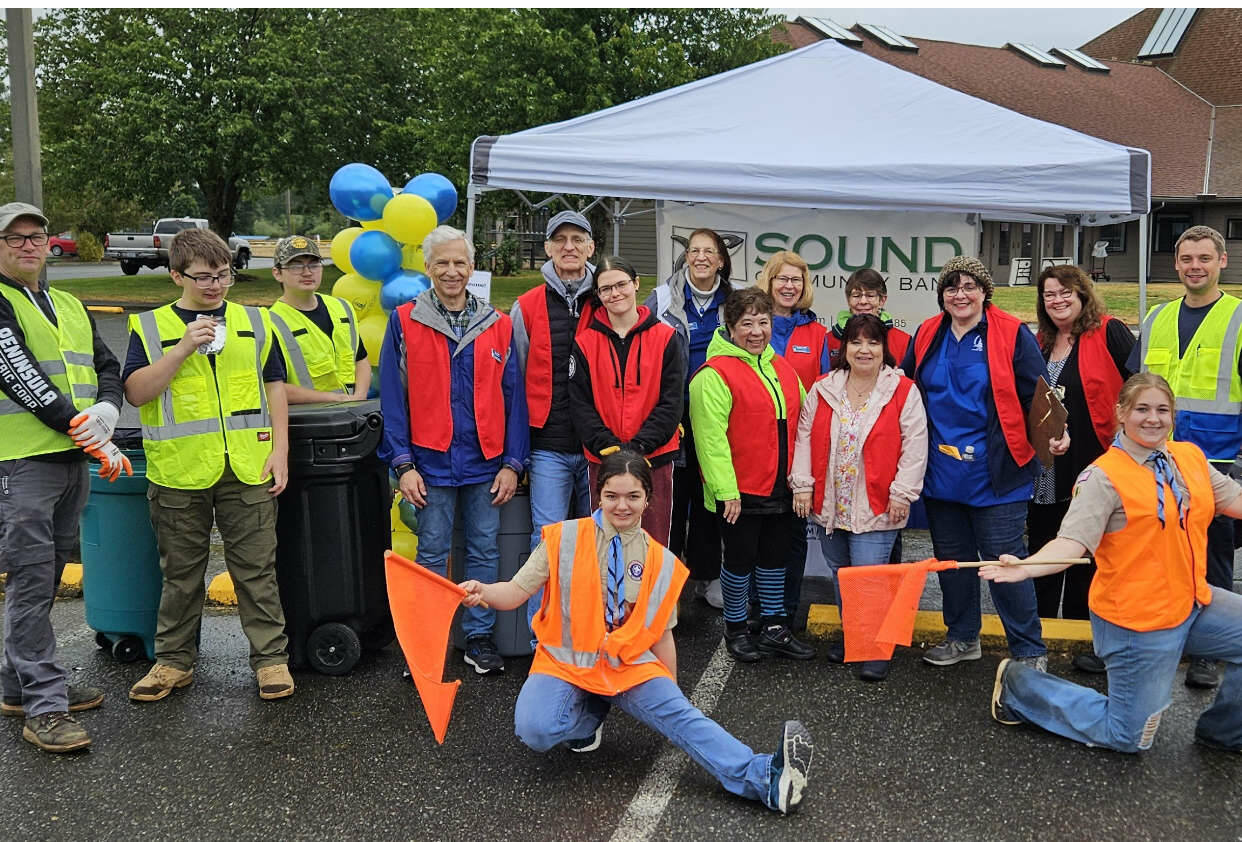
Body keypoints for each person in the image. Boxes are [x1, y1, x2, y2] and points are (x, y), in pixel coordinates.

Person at [459, 450, 815, 814]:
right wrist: (483, 592)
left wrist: (671, 700)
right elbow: (515, 592)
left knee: (684, 718)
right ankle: (590, 716)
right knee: (535, 730)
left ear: (648, 499)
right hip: (564, 662)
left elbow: (661, 634)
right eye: (611, 495)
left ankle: (766, 779)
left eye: (633, 496)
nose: (622, 506)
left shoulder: (660, 561)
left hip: (625, 663)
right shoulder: (563, 538)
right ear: (598, 495)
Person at [984, 373, 1242, 755]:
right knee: (1128, 737)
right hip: (1137, 622)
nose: (1153, 418)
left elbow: (1234, 500)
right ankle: (1020, 686)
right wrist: (1026, 567)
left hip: (1193, 602)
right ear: (1121, 413)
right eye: (1141, 409)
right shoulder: (1103, 477)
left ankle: (1225, 732)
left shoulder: (1189, 458)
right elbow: (1072, 543)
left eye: (1162, 410)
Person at [124, 228, 294, 703]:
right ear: (176, 275)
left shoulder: (256, 321)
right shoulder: (150, 327)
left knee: (257, 571)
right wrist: (180, 349)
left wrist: (280, 450)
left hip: (248, 466)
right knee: (181, 575)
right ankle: (173, 662)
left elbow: (275, 387)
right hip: (179, 472)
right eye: (203, 277)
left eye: (223, 275)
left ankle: (270, 660)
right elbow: (136, 393)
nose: (215, 285)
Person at [901, 256, 1066, 671]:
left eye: (969, 286)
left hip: (998, 471)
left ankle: (1029, 651)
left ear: (984, 292)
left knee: (1005, 563)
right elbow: (904, 389)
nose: (960, 294)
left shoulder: (1011, 332)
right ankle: (962, 638)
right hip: (941, 472)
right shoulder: (927, 332)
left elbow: (1038, 396)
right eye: (951, 287)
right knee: (953, 563)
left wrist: (1056, 432)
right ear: (942, 295)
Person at [0, 201, 124, 753]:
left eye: (36, 236)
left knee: (46, 578)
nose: (28, 245)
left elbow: (106, 366)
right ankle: (45, 707)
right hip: (21, 463)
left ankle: (17, 686)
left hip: (70, 462)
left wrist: (109, 410)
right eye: (15, 237)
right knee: (30, 582)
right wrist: (89, 432)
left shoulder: (70, 303)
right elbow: (18, 375)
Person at [379, 225, 528, 675]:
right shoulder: (405, 320)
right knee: (431, 554)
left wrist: (512, 463)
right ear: (427, 267)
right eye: (442, 262)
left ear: (472, 267)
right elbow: (392, 399)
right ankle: (427, 644)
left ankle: (478, 638)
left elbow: (514, 400)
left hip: (485, 462)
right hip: (430, 462)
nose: (451, 271)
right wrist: (403, 463)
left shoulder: (498, 325)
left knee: (484, 552)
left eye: (459, 262)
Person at [791, 314, 927, 681]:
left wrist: (902, 493)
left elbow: (915, 446)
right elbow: (804, 437)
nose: (864, 350)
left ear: (884, 349)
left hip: (877, 503)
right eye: (856, 342)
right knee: (843, 575)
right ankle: (856, 637)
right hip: (832, 503)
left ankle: (877, 647)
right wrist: (802, 485)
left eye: (872, 342)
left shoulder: (903, 391)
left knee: (869, 577)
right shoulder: (823, 388)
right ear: (844, 348)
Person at [1133, 225, 1237, 690]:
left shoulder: (1238, 318)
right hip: (1156, 457)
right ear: (1176, 264)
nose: (1195, 267)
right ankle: (1151, 637)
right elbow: (1137, 389)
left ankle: (1207, 654)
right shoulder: (1157, 317)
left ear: (1222, 262)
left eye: (1204, 258)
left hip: (1216, 460)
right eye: (1187, 259)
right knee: (1152, 549)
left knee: (1211, 556)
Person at [689, 287, 815, 663]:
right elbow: (710, 441)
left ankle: (774, 628)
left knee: (775, 559)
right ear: (730, 327)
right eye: (747, 323)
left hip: (781, 487)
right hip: (739, 492)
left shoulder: (782, 368)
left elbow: (804, 423)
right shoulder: (712, 375)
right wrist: (726, 491)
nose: (757, 331)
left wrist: (802, 480)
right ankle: (736, 628)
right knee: (739, 561)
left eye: (763, 322)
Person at [1029, 265, 1134, 673]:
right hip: (1046, 469)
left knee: (1086, 554)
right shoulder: (1040, 342)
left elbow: (1138, 388)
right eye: (1049, 294)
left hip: (1094, 465)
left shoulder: (1109, 332)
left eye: (1065, 292)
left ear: (1083, 295)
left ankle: (1082, 639)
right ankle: (1038, 639)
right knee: (1044, 547)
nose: (1057, 300)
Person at [511, 210, 597, 636]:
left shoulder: (608, 297)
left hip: (599, 447)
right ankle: (541, 639)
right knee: (547, 542)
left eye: (577, 239)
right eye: (560, 239)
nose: (569, 247)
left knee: (601, 543)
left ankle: (594, 633)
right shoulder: (526, 306)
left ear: (591, 248)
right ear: (547, 248)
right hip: (549, 448)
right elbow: (515, 381)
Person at [646, 228, 736, 609]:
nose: (701, 257)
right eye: (694, 251)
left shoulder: (735, 299)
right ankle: (667, 580)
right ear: (686, 258)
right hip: (672, 414)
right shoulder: (661, 298)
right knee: (670, 497)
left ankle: (707, 574)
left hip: (717, 415)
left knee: (708, 497)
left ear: (721, 260)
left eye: (709, 252)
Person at [569, 255, 684, 544]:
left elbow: (671, 403)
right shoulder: (585, 343)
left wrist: (638, 448)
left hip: (653, 459)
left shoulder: (666, 337)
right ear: (598, 295)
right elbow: (580, 405)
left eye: (621, 284)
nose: (615, 293)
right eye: (606, 289)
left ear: (636, 284)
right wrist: (608, 448)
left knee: (652, 544)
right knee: (605, 544)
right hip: (604, 460)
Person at [268, 235, 370, 403]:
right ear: (277, 273)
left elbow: (361, 359)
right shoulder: (271, 323)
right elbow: (273, 386)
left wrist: (359, 397)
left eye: (314, 264)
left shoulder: (342, 307)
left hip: (352, 412)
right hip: (308, 416)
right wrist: (337, 398)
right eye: (296, 266)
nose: (307, 272)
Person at [826, 268, 911, 368]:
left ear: (882, 300)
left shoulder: (904, 342)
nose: (863, 301)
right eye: (856, 295)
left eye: (870, 295)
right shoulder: (827, 341)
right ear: (848, 300)